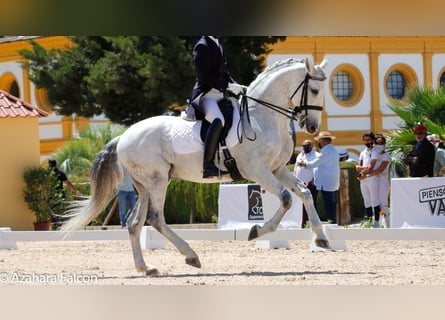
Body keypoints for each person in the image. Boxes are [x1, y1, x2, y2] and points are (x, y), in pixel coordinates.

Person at [189, 36, 247, 178]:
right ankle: (208, 166)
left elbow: (224, 72)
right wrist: (227, 86)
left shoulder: (218, 44)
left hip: (220, 95)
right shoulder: (202, 46)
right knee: (218, 119)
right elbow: (204, 77)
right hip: (205, 95)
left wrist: (236, 85)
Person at [298, 131, 340, 224]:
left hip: (327, 182)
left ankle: (332, 223)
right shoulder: (333, 150)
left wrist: (305, 164)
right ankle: (333, 222)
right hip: (331, 181)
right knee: (331, 204)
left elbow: (317, 162)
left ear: (324, 141)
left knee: (329, 204)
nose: (319, 143)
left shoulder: (326, 151)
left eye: (320, 141)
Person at [359, 134, 391, 227]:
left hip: (382, 182)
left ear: (385, 144)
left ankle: (389, 226)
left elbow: (380, 170)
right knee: (373, 203)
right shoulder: (372, 154)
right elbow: (367, 166)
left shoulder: (386, 156)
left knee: (383, 205)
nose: (379, 145)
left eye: (381, 143)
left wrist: (367, 175)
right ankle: (376, 224)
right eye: (377, 143)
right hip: (374, 180)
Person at [294, 139, 319, 228]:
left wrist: (313, 180)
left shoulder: (316, 155)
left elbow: (317, 169)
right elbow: (296, 169)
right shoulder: (300, 155)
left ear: (311, 146)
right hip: (300, 185)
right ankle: (303, 224)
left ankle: (314, 224)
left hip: (311, 184)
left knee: (312, 205)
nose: (305, 147)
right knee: (301, 206)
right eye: (303, 145)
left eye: (307, 145)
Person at [356, 131, 381, 222]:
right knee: (366, 200)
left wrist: (363, 171)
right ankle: (370, 221)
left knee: (374, 199)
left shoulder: (375, 151)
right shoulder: (362, 153)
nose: (367, 142)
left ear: (373, 140)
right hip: (363, 179)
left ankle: (377, 221)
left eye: (368, 140)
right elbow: (358, 167)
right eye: (365, 140)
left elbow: (371, 167)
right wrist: (362, 170)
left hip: (372, 178)